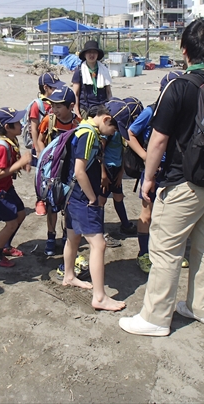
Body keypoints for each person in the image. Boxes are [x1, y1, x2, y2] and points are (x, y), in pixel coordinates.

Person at [118, 18, 204, 336]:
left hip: (184, 181)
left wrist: (149, 179)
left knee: (165, 249)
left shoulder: (178, 86)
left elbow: (159, 140)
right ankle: (202, 307)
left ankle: (155, 318)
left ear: (184, 50)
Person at [61, 102, 131, 312]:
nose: (112, 134)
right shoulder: (89, 134)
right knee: (98, 245)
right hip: (83, 197)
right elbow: (80, 170)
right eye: (114, 130)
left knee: (72, 238)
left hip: (71, 196)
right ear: (106, 119)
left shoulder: (81, 128)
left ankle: (69, 275)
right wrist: (92, 197)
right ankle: (99, 297)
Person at [126, 73, 190, 273]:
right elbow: (130, 133)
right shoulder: (151, 111)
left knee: (173, 213)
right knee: (147, 212)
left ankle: (168, 252)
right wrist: (145, 156)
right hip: (155, 169)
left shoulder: (185, 112)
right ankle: (143, 253)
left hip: (177, 170)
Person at [36, 85, 81, 256]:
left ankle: (65, 235)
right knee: (51, 204)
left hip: (69, 169)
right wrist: (43, 158)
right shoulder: (49, 121)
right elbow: (40, 140)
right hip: (53, 169)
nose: (54, 110)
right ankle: (50, 235)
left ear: (70, 106)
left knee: (67, 202)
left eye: (58, 106)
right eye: (52, 106)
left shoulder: (77, 123)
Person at [0, 107, 32, 267]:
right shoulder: (1, 147)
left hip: (6, 187)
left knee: (21, 214)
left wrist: (21, 163)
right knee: (11, 222)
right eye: (16, 122)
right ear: (7, 127)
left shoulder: (10, 140)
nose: (21, 125)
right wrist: (20, 163)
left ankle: (5, 245)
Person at [99, 98, 137, 244]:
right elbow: (100, 153)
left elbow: (122, 151)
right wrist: (103, 173)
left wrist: (121, 172)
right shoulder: (109, 132)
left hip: (116, 168)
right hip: (107, 167)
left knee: (118, 196)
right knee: (101, 200)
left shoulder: (121, 130)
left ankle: (125, 225)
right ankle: (99, 232)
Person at [29, 72, 65, 216]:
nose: (56, 90)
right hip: (41, 146)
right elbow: (33, 126)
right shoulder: (37, 104)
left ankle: (52, 196)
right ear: (45, 87)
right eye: (53, 87)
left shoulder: (58, 102)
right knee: (41, 175)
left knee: (53, 173)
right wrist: (38, 149)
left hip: (54, 146)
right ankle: (40, 199)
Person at [72, 40, 112, 119]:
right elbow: (75, 93)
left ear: (97, 54)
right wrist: (76, 111)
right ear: (85, 54)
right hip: (85, 108)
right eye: (89, 52)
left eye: (94, 52)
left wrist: (111, 107)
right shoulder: (79, 71)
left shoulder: (104, 70)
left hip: (102, 107)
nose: (92, 55)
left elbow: (108, 92)